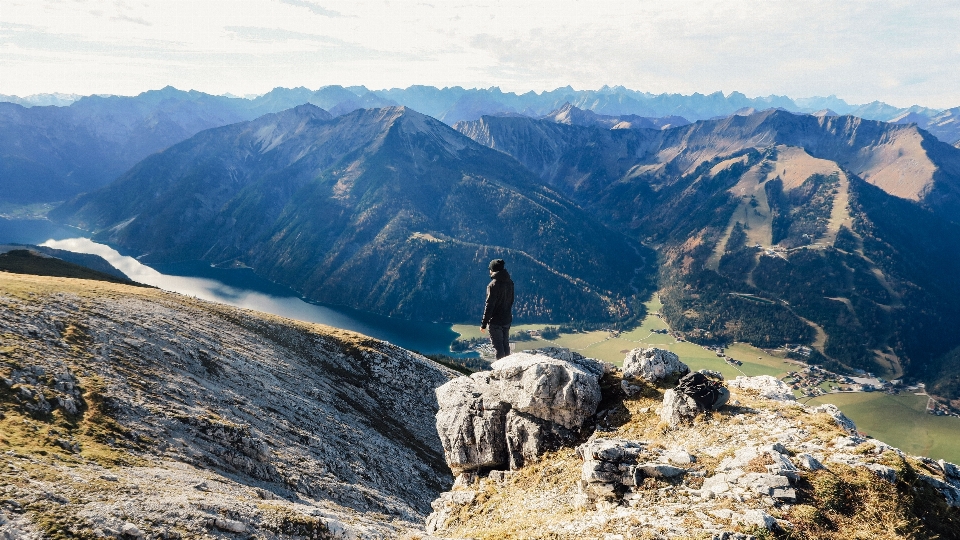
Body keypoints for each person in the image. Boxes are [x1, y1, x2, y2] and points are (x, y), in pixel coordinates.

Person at [480, 258, 514, 359]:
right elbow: (511, 300)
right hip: (507, 319)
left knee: (498, 348)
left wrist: (484, 324)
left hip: (495, 322)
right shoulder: (510, 282)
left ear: (493, 270)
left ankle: (501, 372)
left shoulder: (492, 285)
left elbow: (489, 305)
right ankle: (509, 367)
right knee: (505, 345)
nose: (489, 271)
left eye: (490, 269)